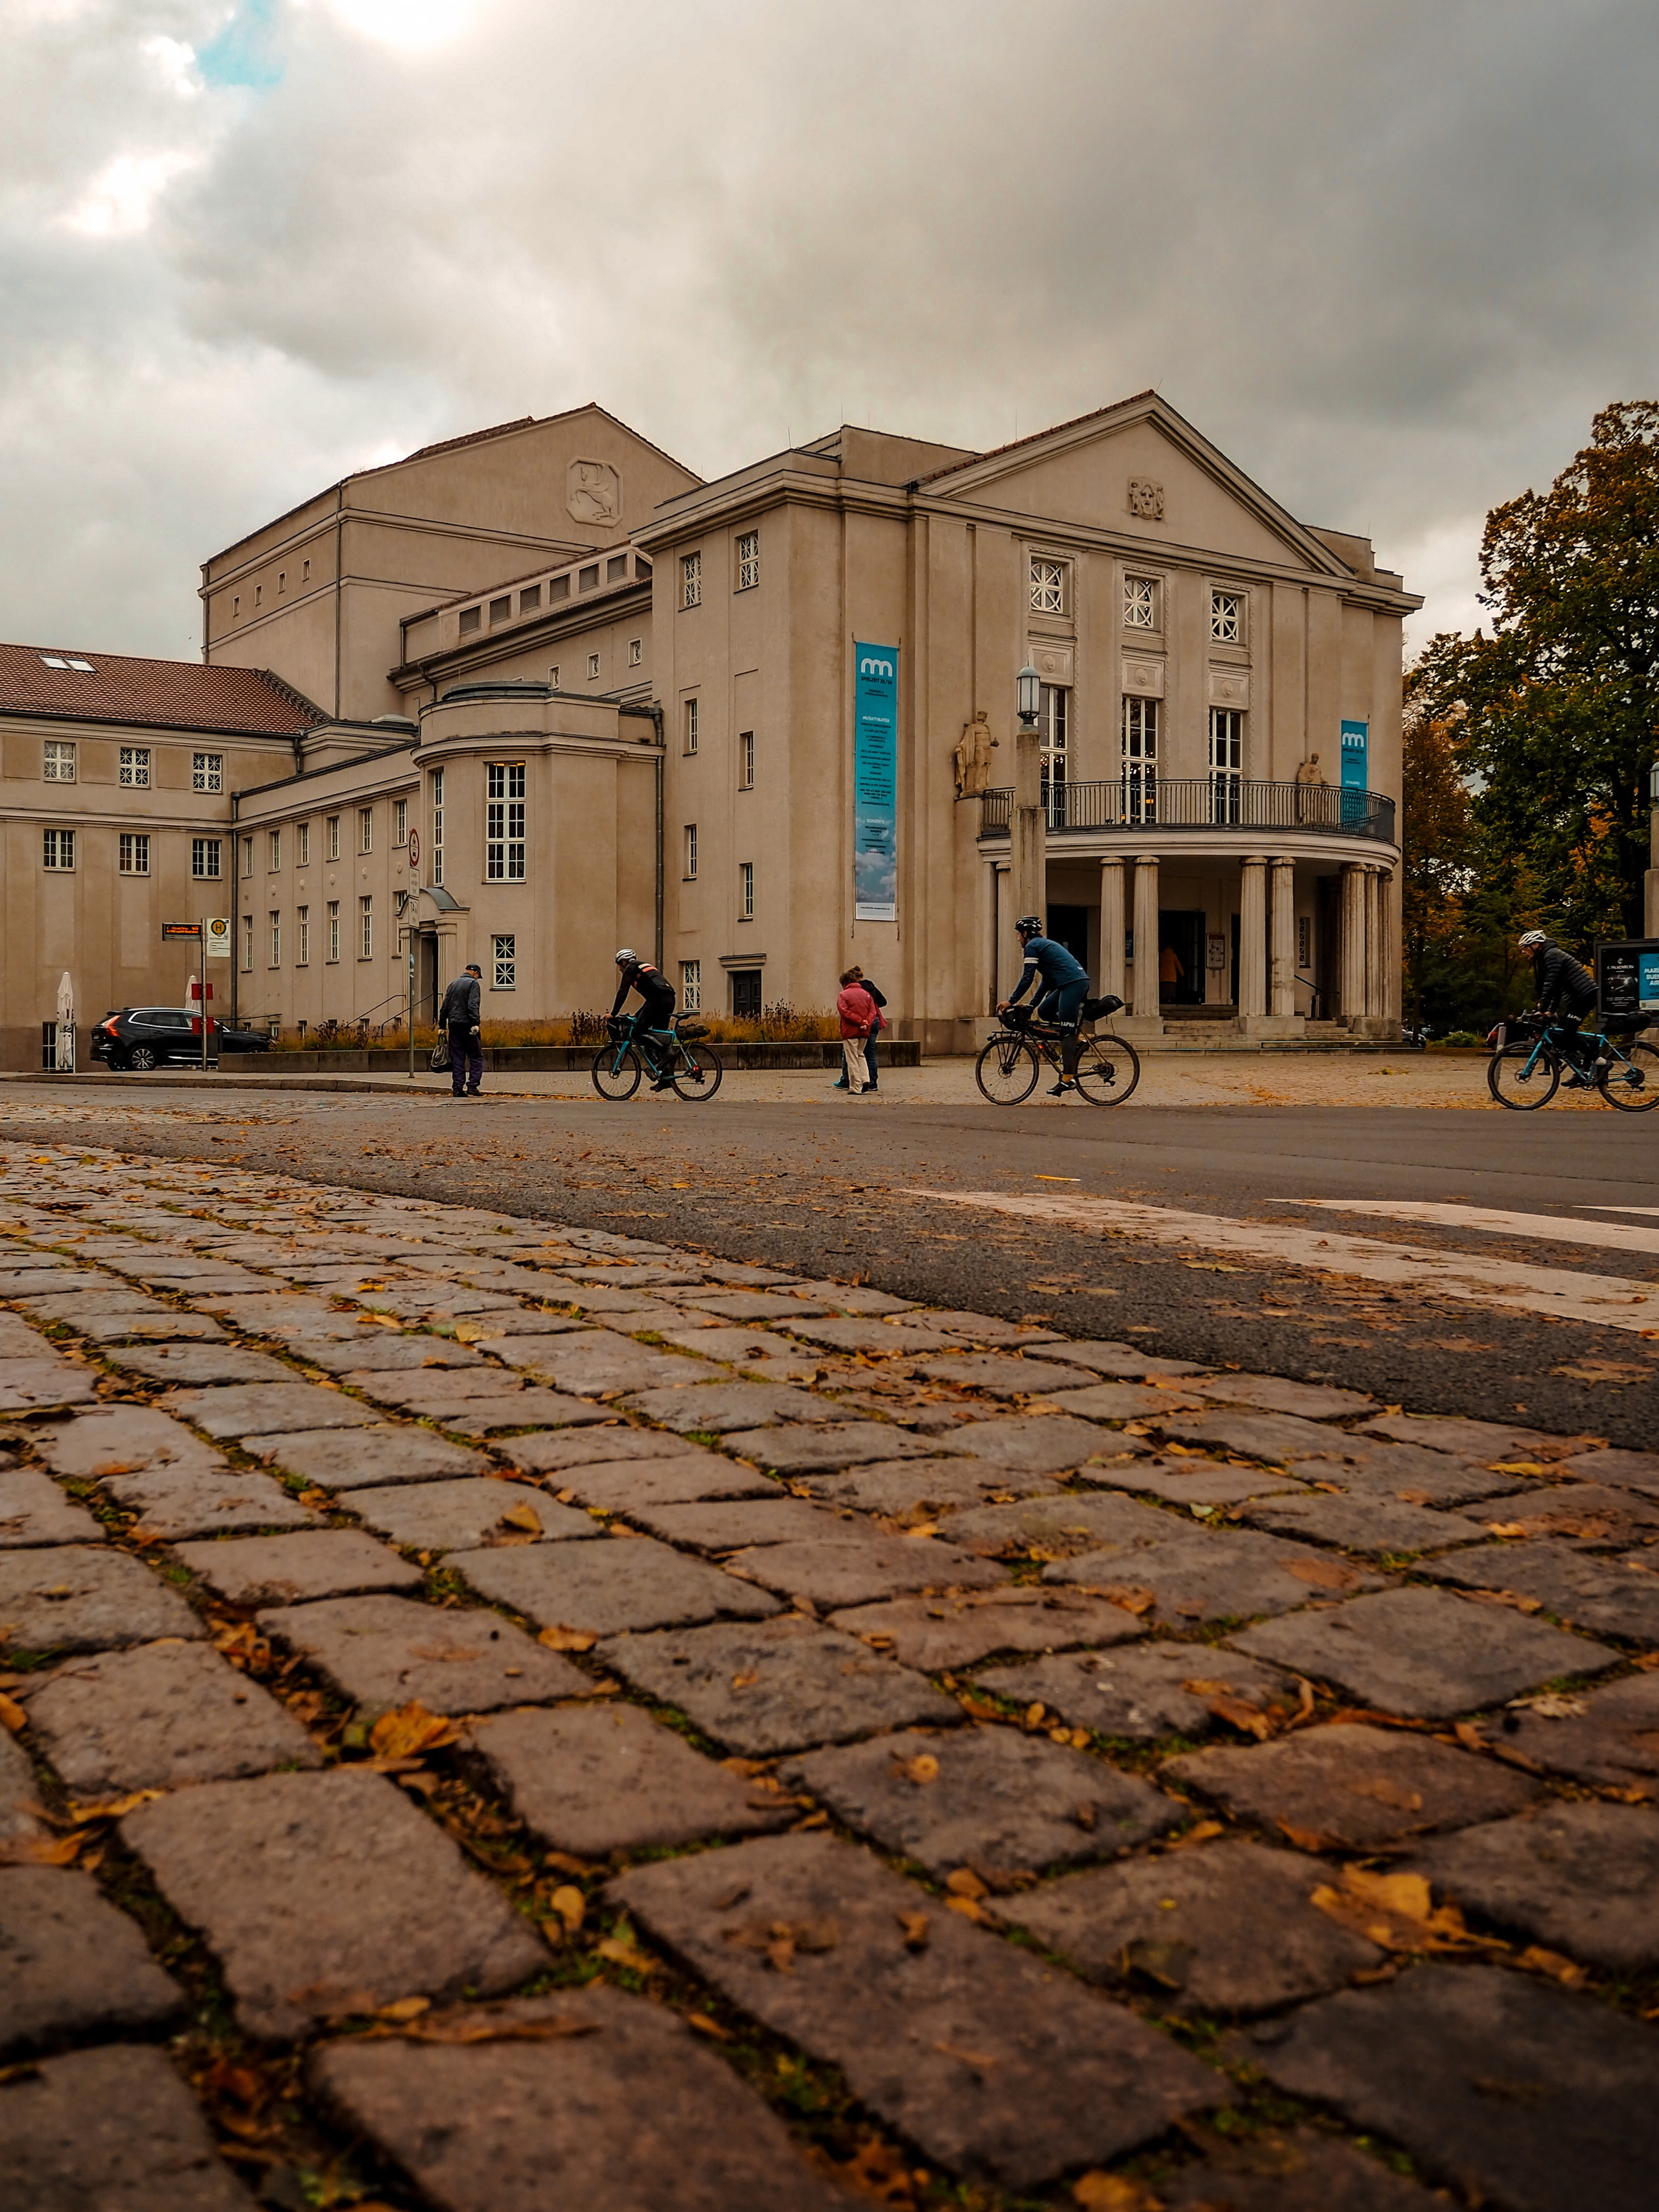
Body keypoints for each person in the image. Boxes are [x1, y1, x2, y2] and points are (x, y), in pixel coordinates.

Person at [999, 914, 1090, 1097]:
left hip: (1073, 984)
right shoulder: (1043, 946)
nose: (1018, 939)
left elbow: (1027, 978)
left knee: (1066, 1032)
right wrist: (1032, 1007)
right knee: (1045, 1011)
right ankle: (1078, 1042)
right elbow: (1047, 981)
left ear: (1025, 933)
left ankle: (1067, 1080)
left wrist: (1011, 1001)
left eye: (1019, 935)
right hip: (1071, 983)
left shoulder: (1033, 946)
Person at [1520, 927, 1598, 1084]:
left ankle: (1599, 1062)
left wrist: (1542, 1008)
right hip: (1578, 998)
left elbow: (1551, 983)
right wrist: (1549, 1011)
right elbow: (1557, 988)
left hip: (1584, 996)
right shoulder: (1546, 957)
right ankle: (1582, 1068)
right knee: (1563, 1032)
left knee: (1567, 1033)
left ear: (1535, 945)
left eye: (1525, 947)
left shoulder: (1551, 955)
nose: (1523, 952)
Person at [610, 949, 677, 1091]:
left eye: (619, 966)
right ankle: (665, 1079)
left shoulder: (631, 967)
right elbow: (651, 999)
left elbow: (623, 992)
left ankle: (667, 1054)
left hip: (658, 1000)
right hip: (668, 999)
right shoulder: (641, 967)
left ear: (623, 962)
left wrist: (613, 1014)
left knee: (636, 1033)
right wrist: (637, 1015)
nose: (620, 970)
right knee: (657, 1038)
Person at [833, 966, 886, 1090]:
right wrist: (866, 1021)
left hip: (853, 1027)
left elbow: (845, 1012)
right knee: (866, 1054)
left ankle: (854, 1084)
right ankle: (869, 1081)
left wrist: (859, 1021)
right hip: (871, 1024)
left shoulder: (844, 994)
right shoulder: (869, 991)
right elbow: (875, 1008)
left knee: (851, 1056)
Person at [438, 962, 483, 1097]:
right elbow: (473, 1004)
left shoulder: (453, 984)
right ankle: (473, 1086)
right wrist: (475, 1023)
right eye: (478, 976)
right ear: (476, 973)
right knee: (476, 1056)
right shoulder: (473, 984)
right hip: (468, 1026)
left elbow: (445, 1007)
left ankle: (457, 1088)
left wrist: (442, 1026)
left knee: (457, 1058)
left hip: (453, 1026)